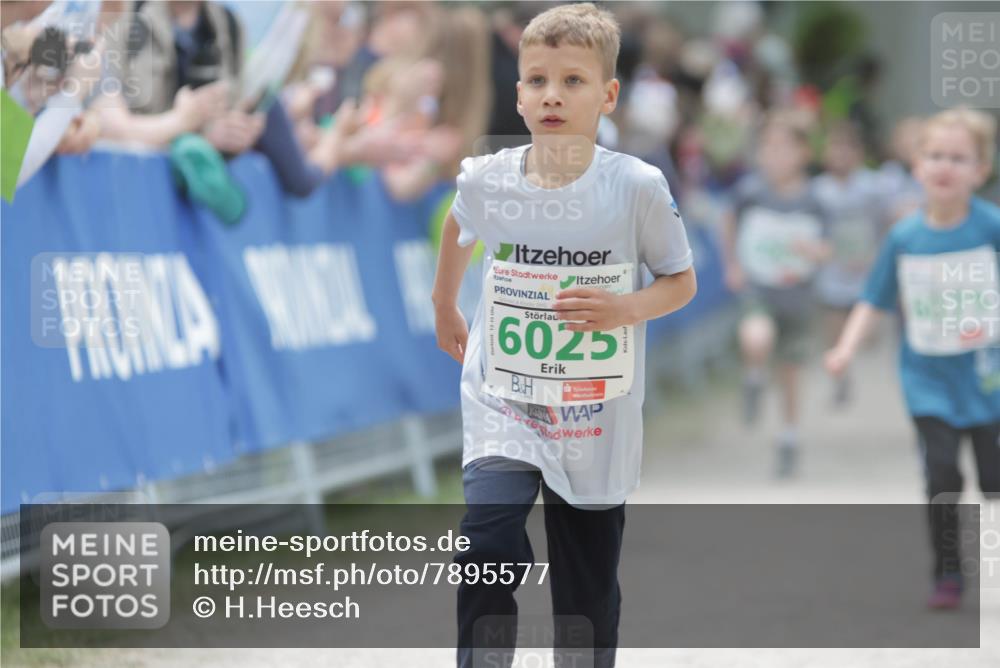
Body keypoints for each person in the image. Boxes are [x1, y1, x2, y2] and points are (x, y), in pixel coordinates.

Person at [430, 5, 697, 667]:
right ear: (517, 93)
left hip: (592, 411)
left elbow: (680, 280)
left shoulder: (635, 186)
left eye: (573, 81)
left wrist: (623, 309)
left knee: (586, 585)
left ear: (608, 95)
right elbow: (458, 227)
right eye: (537, 79)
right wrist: (444, 305)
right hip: (504, 399)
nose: (553, 94)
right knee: (486, 543)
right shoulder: (489, 178)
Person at [825, 108, 1000, 610]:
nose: (945, 166)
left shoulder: (990, 228)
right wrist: (845, 349)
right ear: (917, 166)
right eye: (935, 155)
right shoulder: (904, 238)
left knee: (993, 481)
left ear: (980, 170)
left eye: (959, 158)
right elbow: (873, 300)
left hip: (988, 382)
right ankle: (947, 573)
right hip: (928, 381)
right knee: (942, 474)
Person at [722, 111, 831, 477]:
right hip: (759, 285)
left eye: (783, 148)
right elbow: (728, 222)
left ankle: (788, 435)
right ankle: (753, 376)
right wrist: (733, 265)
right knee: (757, 333)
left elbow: (828, 246)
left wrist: (815, 252)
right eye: (768, 148)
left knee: (790, 371)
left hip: (797, 294)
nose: (774, 156)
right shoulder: (750, 191)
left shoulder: (816, 198)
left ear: (804, 153)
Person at [813, 121, 888, 405]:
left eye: (847, 149)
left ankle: (861, 353)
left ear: (858, 153)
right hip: (832, 271)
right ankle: (840, 377)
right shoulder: (818, 190)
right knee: (834, 328)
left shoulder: (874, 186)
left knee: (867, 333)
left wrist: (878, 254)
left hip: (866, 270)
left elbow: (887, 221)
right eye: (835, 149)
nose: (840, 155)